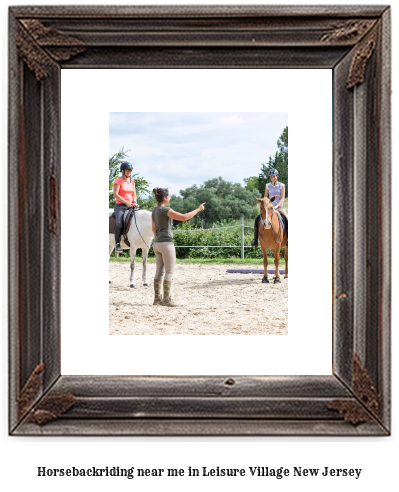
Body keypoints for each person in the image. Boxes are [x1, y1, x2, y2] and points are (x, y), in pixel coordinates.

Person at [151, 188, 205, 307]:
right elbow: (184, 217)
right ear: (164, 198)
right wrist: (198, 209)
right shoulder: (166, 210)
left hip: (157, 244)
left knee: (159, 271)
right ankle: (166, 300)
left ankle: (157, 299)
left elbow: (153, 229)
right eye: (168, 196)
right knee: (169, 271)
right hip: (166, 244)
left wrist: (158, 239)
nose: (169, 198)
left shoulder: (154, 211)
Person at [251, 168, 288, 247]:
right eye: (271, 177)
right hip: (268, 208)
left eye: (274, 176)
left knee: (288, 219)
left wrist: (276, 206)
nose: (272, 178)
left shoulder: (282, 186)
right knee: (257, 219)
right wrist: (264, 204)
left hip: (279, 207)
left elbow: (282, 198)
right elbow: (265, 197)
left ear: (277, 176)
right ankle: (255, 240)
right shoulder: (267, 186)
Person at [113, 161, 139, 253]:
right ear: (122, 171)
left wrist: (134, 202)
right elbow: (115, 194)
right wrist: (126, 202)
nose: (129, 172)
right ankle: (117, 244)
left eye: (130, 170)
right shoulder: (118, 181)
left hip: (131, 205)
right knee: (119, 223)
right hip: (120, 205)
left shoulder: (132, 181)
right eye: (127, 170)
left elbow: (134, 193)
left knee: (140, 218)